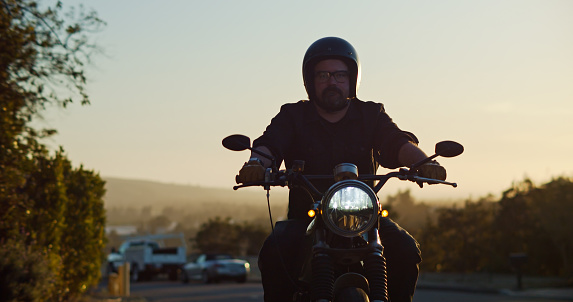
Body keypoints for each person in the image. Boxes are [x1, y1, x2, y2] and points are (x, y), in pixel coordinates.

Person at [235, 37, 446, 302]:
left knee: (405, 249)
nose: (332, 82)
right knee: (274, 251)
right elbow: (269, 145)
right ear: (310, 81)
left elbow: (397, 143)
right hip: (307, 219)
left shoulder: (371, 114)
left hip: (366, 219)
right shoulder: (292, 116)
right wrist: (255, 164)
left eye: (339, 75)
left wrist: (425, 163)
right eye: (323, 75)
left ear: (352, 79)